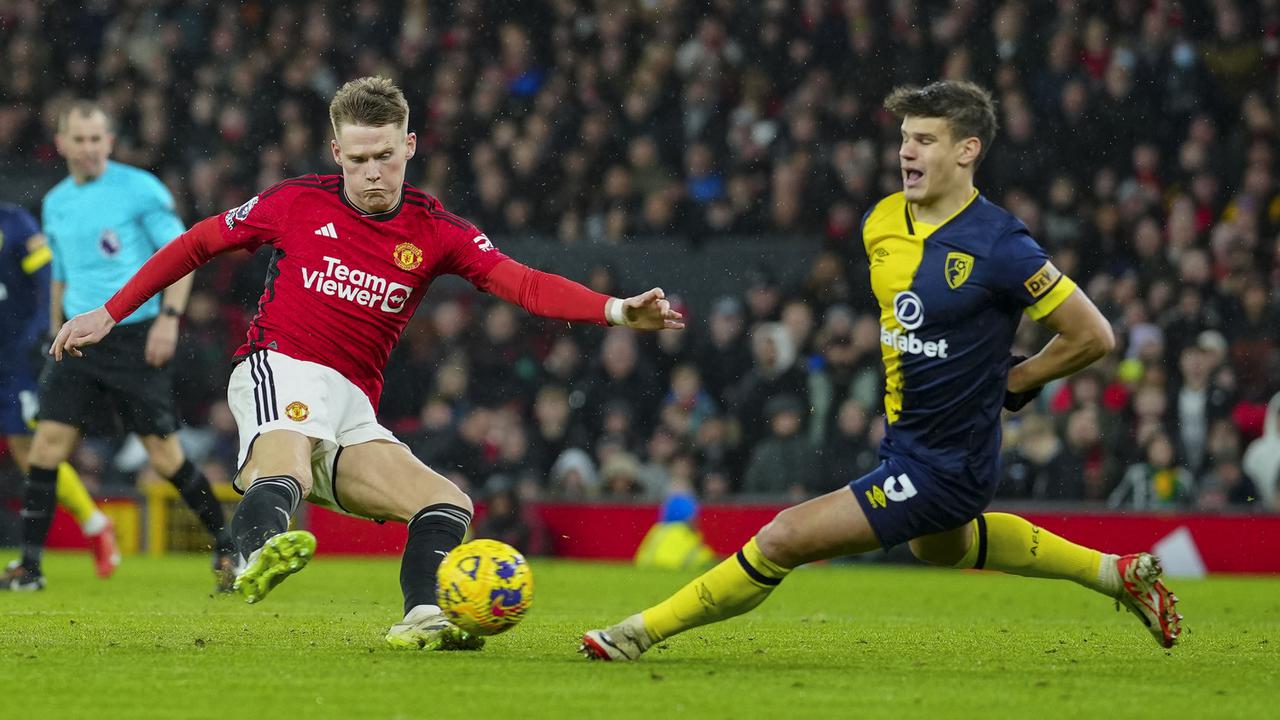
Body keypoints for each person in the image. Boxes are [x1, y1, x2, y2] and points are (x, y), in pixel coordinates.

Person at [50, 77, 683, 650]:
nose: (373, 173)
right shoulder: (296, 202)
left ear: (409, 146)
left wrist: (619, 311)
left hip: (353, 404)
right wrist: (112, 311)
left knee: (447, 504)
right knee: (287, 465)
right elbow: (198, 242)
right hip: (281, 365)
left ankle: (424, 615)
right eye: (358, 160)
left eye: (384, 157)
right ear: (336, 154)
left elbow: (525, 284)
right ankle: (249, 552)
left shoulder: (436, 230)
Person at [580, 80, 1181, 662]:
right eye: (903, 139)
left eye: (924, 139)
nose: (905, 152)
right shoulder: (881, 223)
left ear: (967, 151)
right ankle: (1118, 574)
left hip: (949, 462)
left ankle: (638, 632)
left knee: (784, 537)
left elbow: (1093, 335)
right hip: (907, 443)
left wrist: (1017, 381)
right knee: (946, 548)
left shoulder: (1001, 244)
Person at [4, 102, 235, 592]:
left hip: (132, 336)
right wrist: (53, 332)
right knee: (46, 446)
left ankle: (228, 546)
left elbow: (183, 256)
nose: (88, 149)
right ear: (62, 143)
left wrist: (169, 321)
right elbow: (60, 279)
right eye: (79, 140)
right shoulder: (57, 201)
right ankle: (29, 567)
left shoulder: (140, 190)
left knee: (164, 455)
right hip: (76, 338)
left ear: (109, 142)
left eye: (96, 139)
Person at [0, 202, 119, 586]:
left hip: (14, 359)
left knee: (29, 451)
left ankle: (94, 522)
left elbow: (46, 278)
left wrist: (38, 336)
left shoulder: (14, 223)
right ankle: (94, 523)